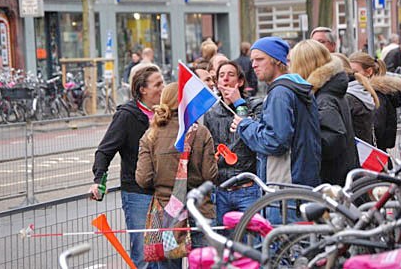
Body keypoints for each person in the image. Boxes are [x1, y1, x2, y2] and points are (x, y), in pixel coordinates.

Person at [136, 82, 218, 269]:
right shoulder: (201, 132)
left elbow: (143, 179)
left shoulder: (151, 135)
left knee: (169, 264)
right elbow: (210, 175)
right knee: (203, 263)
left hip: (168, 212)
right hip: (199, 210)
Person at [90, 65, 164, 269]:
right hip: (138, 193)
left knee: (166, 253)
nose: (162, 87)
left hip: (165, 192)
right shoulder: (127, 115)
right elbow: (105, 150)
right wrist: (99, 180)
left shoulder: (166, 112)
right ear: (143, 89)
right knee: (143, 255)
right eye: (157, 84)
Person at [231, 36, 321, 188]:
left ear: (277, 60)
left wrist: (244, 125)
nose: (253, 65)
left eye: (259, 59)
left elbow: (275, 141)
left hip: (285, 184)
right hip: (300, 180)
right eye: (252, 60)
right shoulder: (294, 87)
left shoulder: (280, 93)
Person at [289, 40, 359, 186]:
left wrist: (300, 139)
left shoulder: (323, 98)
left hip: (330, 180)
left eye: (292, 62)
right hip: (340, 176)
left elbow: (333, 139)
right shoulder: (330, 91)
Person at [204, 60, 263, 228]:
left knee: (252, 239)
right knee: (226, 244)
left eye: (230, 75)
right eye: (221, 76)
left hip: (247, 188)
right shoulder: (211, 113)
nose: (225, 79)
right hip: (222, 189)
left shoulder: (255, 106)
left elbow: (254, 136)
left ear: (240, 81)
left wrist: (238, 103)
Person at [348, 52, 401, 153]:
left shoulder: (376, 95)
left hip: (375, 156)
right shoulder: (369, 93)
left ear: (369, 71)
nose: (351, 76)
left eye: (355, 72)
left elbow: (377, 128)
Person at [335, 52, 379, 145]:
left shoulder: (350, 97)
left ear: (369, 72)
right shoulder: (363, 92)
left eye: (355, 72)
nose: (353, 75)